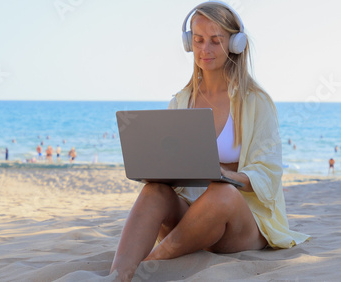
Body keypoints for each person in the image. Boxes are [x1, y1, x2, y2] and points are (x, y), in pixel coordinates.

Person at [109, 2, 310, 281]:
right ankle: (117, 276)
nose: (205, 49)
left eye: (216, 41)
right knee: (153, 191)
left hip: (238, 224)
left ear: (235, 44)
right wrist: (160, 172)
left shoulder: (256, 102)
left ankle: (149, 265)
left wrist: (227, 175)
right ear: (189, 43)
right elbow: (172, 168)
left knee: (222, 191)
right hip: (191, 221)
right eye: (198, 39)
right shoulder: (180, 101)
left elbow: (269, 172)